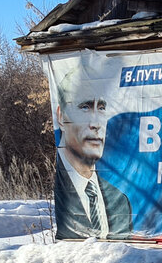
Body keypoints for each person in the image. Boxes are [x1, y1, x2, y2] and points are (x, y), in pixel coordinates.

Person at [53, 68, 133, 240]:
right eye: (85, 107)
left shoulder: (121, 202)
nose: (96, 123)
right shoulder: (61, 192)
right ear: (61, 117)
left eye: (102, 108)